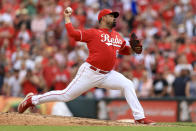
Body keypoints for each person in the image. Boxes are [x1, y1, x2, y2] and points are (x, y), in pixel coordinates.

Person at [18, 8, 155, 125]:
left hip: (107, 74)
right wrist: (67, 18)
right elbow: (73, 34)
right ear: (102, 18)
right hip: (90, 72)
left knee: (128, 84)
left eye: (114, 16)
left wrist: (133, 49)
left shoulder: (117, 36)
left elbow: (125, 50)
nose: (114, 18)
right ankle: (32, 100)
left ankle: (139, 118)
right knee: (66, 95)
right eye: (111, 16)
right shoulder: (93, 33)